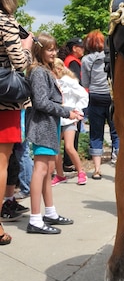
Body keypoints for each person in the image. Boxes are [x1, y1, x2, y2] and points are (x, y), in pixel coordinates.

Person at [25, 33, 83, 234]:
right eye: (49, 49)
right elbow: (41, 102)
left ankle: (49, 213)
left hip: (49, 126)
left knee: (48, 170)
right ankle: (35, 219)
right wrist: (68, 111)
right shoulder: (39, 72)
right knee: (40, 171)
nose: (54, 52)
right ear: (39, 50)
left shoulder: (44, 71)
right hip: (42, 126)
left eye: (55, 49)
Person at [0, 0, 33, 244]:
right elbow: (19, 62)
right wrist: (28, 48)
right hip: (4, 102)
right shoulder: (6, 22)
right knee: (1, 162)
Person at [81, 30, 118, 179]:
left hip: (95, 97)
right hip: (111, 96)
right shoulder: (111, 57)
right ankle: (119, 163)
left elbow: (85, 83)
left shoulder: (86, 60)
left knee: (96, 133)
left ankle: (97, 170)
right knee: (116, 131)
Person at [52, 58, 88, 185]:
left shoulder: (69, 81)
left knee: (69, 146)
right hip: (56, 118)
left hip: (69, 118)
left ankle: (81, 172)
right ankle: (60, 175)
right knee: (55, 149)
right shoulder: (51, 81)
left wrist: (77, 110)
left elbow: (83, 95)